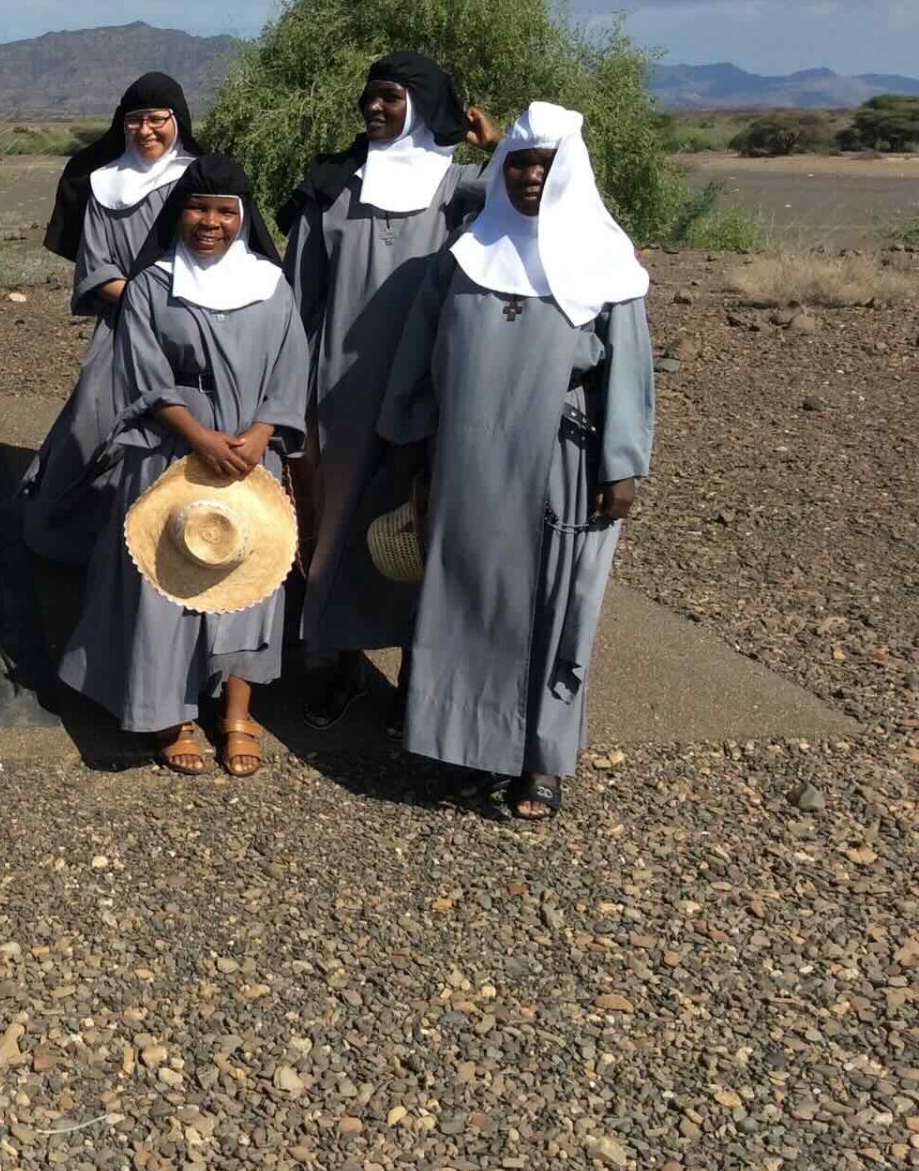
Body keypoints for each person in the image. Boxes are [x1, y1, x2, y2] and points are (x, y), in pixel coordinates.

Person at [377, 101, 654, 821]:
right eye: (521, 162)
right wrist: (410, 438)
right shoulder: (468, 254)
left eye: (546, 164)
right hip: (467, 461)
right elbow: (420, 353)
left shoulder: (604, 259)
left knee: (554, 608)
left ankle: (541, 759)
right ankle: (467, 749)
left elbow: (628, 370)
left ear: (571, 171)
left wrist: (622, 465)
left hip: (557, 462)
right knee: (465, 599)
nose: (531, 175)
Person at [58, 155, 310, 777]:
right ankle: (168, 714)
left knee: (248, 579)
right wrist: (198, 436)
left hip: (249, 458)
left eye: (225, 211)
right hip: (172, 452)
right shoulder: (152, 284)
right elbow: (140, 371)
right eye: (198, 208)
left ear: (243, 217)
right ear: (179, 212)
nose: (210, 222)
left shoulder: (271, 284)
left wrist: (260, 434)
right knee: (167, 581)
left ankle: (238, 714)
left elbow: (291, 367)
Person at [282, 53, 501, 729]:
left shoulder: (462, 187)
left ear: (424, 105)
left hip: (431, 386)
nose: (373, 108)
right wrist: (286, 394)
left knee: (420, 524)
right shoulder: (332, 187)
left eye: (390, 97)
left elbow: (545, 201)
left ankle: (417, 679)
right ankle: (337, 664)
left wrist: (498, 147)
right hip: (341, 391)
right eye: (370, 96)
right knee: (340, 527)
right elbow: (296, 300)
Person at [21, 73, 203, 564]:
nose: (146, 130)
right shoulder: (104, 185)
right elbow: (96, 267)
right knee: (91, 426)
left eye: (156, 119)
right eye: (135, 121)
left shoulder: (199, 181)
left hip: (193, 329)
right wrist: (146, 305)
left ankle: (173, 550)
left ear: (177, 122)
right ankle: (80, 550)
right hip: (123, 328)